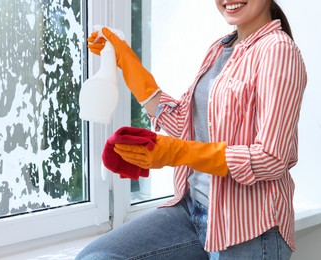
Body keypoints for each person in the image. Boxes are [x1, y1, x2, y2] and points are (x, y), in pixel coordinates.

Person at [77, 0, 307, 259]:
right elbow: (183, 123)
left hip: (250, 231)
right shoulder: (220, 49)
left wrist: (176, 152)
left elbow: (271, 159)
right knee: (98, 256)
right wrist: (127, 61)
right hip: (192, 210)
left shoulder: (278, 51)